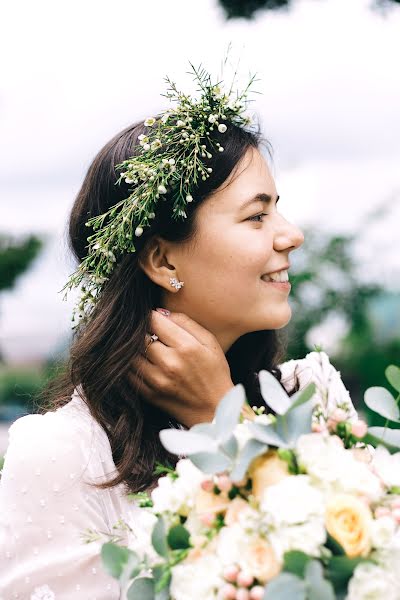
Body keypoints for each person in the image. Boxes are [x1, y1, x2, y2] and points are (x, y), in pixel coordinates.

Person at [0, 67, 354, 599]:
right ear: (163, 260)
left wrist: (220, 418)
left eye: (277, 208)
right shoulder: (64, 452)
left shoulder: (313, 397)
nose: (292, 234)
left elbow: (365, 571)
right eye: (256, 216)